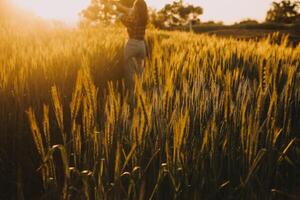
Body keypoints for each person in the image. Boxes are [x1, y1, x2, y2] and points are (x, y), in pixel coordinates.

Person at [112, 0, 148, 92]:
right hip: (141, 46)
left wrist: (115, 11)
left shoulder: (133, 19)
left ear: (136, 8)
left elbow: (123, 18)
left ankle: (131, 94)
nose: (133, 8)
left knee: (129, 72)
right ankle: (140, 92)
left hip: (132, 45)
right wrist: (117, 4)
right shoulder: (144, 17)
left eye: (134, 6)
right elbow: (129, 10)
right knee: (140, 72)